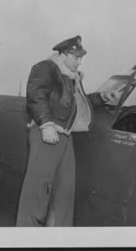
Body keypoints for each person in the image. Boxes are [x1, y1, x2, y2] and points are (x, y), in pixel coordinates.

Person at [16, 35, 116, 227]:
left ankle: (60, 235)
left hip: (64, 135)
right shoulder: (45, 68)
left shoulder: (70, 78)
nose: (80, 62)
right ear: (62, 54)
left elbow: (75, 103)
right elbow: (36, 94)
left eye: (81, 58)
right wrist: (46, 124)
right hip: (49, 133)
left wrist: (102, 98)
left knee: (64, 189)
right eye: (76, 57)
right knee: (38, 187)